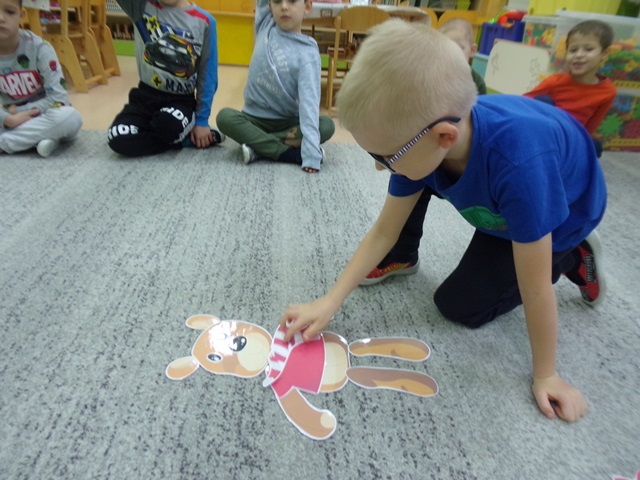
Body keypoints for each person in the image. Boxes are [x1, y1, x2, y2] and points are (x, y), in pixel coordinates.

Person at [280, 21, 607, 422]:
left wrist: (546, 374)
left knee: (460, 307)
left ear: (444, 137)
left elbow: (536, 288)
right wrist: (329, 302)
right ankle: (412, 253)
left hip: (564, 212)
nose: (380, 168)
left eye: (384, 157)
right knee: (417, 178)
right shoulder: (424, 141)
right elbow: (384, 231)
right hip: (505, 197)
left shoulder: (519, 166)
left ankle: (572, 255)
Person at [215, 0, 335, 173]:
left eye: (292, 1)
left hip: (288, 124)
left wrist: (311, 155)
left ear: (307, 6)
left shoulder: (308, 53)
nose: (284, 6)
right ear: (270, 6)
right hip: (253, 120)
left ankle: (258, 147)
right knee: (224, 117)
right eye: (277, 1)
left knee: (326, 126)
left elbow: (309, 105)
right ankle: (288, 154)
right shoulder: (266, 24)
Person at [107, 0, 224, 157]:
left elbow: (207, 76)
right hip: (144, 99)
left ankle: (171, 132)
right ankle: (183, 140)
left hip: (180, 102)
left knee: (167, 126)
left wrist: (201, 121)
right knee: (116, 136)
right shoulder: (140, 6)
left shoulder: (205, 22)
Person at [0, 0, 82, 157]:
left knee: (71, 117)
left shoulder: (40, 48)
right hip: (11, 120)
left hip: (47, 113)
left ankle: (6, 142)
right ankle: (40, 139)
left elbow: (59, 98)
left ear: (21, 15)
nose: (1, 18)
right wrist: (7, 119)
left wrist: (17, 111)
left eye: (9, 12)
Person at [524, 19, 616, 155]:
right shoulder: (555, 81)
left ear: (604, 53)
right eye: (573, 50)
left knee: (595, 147)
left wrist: (581, 142)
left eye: (588, 49)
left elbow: (591, 126)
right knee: (543, 100)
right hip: (546, 130)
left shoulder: (608, 91)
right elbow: (523, 103)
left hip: (572, 136)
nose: (578, 55)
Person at [439, 18, 487, 95]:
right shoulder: (434, 73)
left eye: (459, 48)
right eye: (446, 48)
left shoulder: (477, 82)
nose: (452, 54)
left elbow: (480, 102)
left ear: (472, 50)